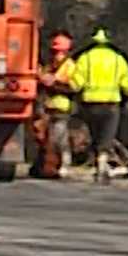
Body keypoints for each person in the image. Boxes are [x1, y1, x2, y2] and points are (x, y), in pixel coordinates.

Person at [69, 28, 128, 183]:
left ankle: (97, 163)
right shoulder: (119, 59)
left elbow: (76, 84)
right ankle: (102, 164)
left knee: (95, 135)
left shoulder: (86, 58)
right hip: (111, 105)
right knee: (106, 137)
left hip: (90, 104)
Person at [34, 31, 77, 178]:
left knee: (60, 139)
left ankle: (65, 164)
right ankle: (44, 166)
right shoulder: (49, 65)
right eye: (54, 52)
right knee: (46, 140)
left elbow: (73, 87)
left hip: (61, 108)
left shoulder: (70, 66)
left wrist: (53, 83)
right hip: (47, 108)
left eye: (58, 52)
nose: (56, 55)